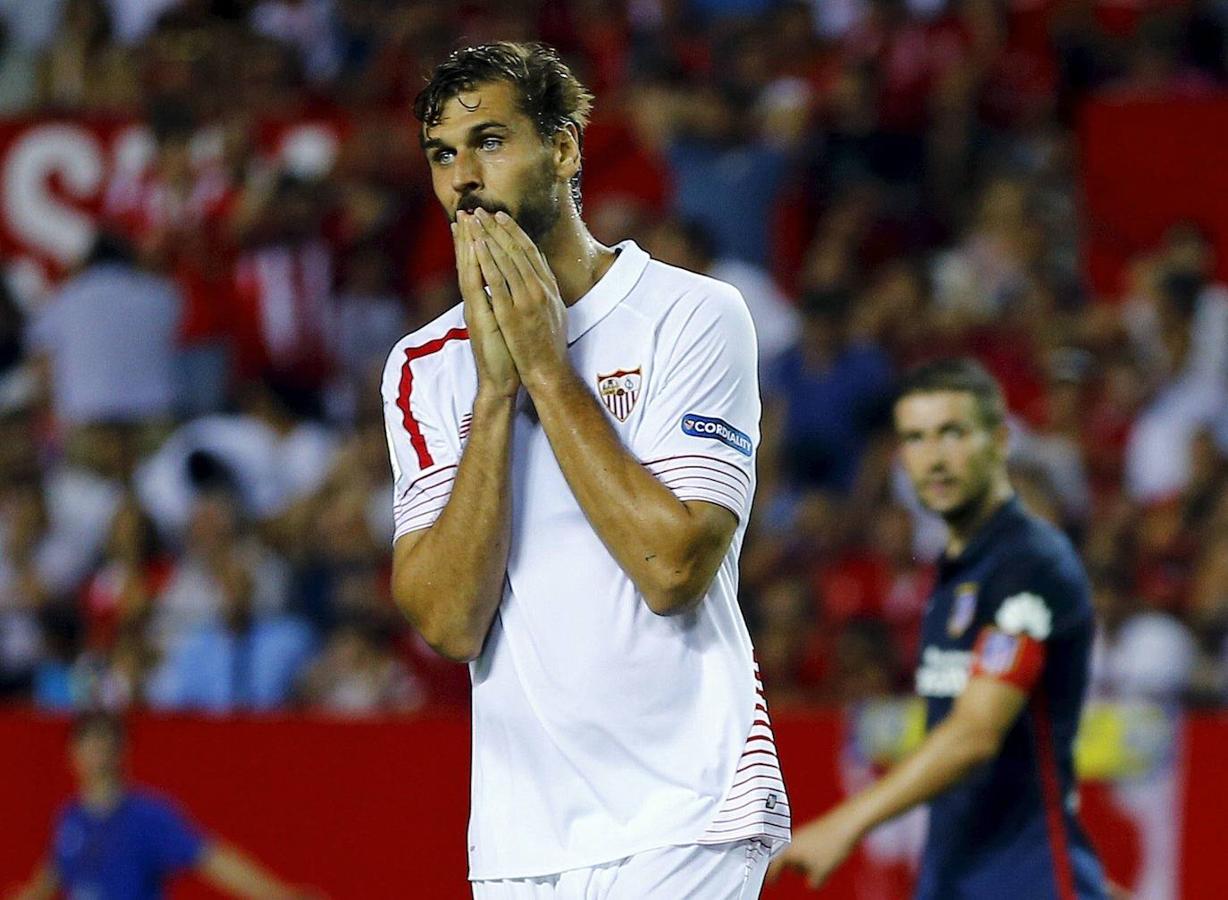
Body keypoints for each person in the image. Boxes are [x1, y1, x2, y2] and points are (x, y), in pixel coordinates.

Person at [382, 41, 788, 898]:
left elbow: (673, 566)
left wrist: (546, 370)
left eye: (490, 141)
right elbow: (451, 625)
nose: (463, 178)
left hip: (691, 810)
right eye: (442, 155)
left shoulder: (691, 315)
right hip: (519, 837)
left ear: (564, 148)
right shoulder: (422, 367)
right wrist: (496, 393)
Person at [769, 358, 1109, 898]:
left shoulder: (1030, 564)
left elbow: (974, 734)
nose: (935, 457)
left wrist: (844, 823)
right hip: (955, 876)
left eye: (953, 433)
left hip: (1023, 882)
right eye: (917, 438)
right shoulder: (955, 576)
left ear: (998, 441)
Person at [11, 711, 312, 899]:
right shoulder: (70, 817)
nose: (96, 751)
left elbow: (210, 858)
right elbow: (58, 869)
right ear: (71, 754)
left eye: (104, 741)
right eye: (87, 742)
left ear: (122, 749)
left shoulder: (147, 816)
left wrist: (276, 894)